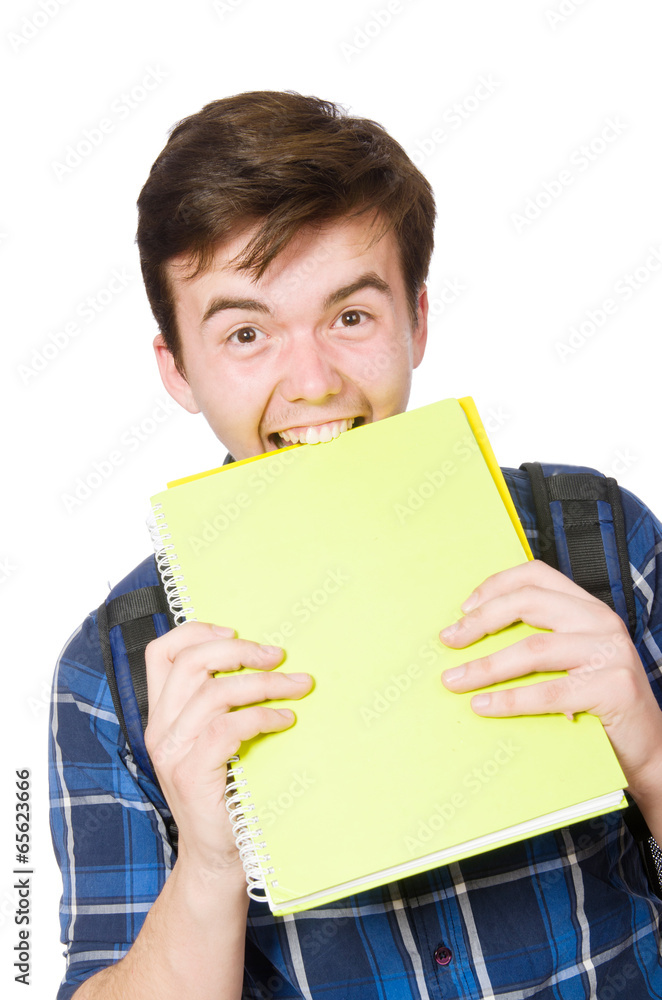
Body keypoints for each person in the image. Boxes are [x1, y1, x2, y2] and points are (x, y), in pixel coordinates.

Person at [49, 91, 662, 1000]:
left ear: (415, 318)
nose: (312, 383)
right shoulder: (112, 676)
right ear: (177, 369)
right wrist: (211, 865)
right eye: (247, 333)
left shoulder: (599, 534)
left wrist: (650, 755)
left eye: (350, 318)